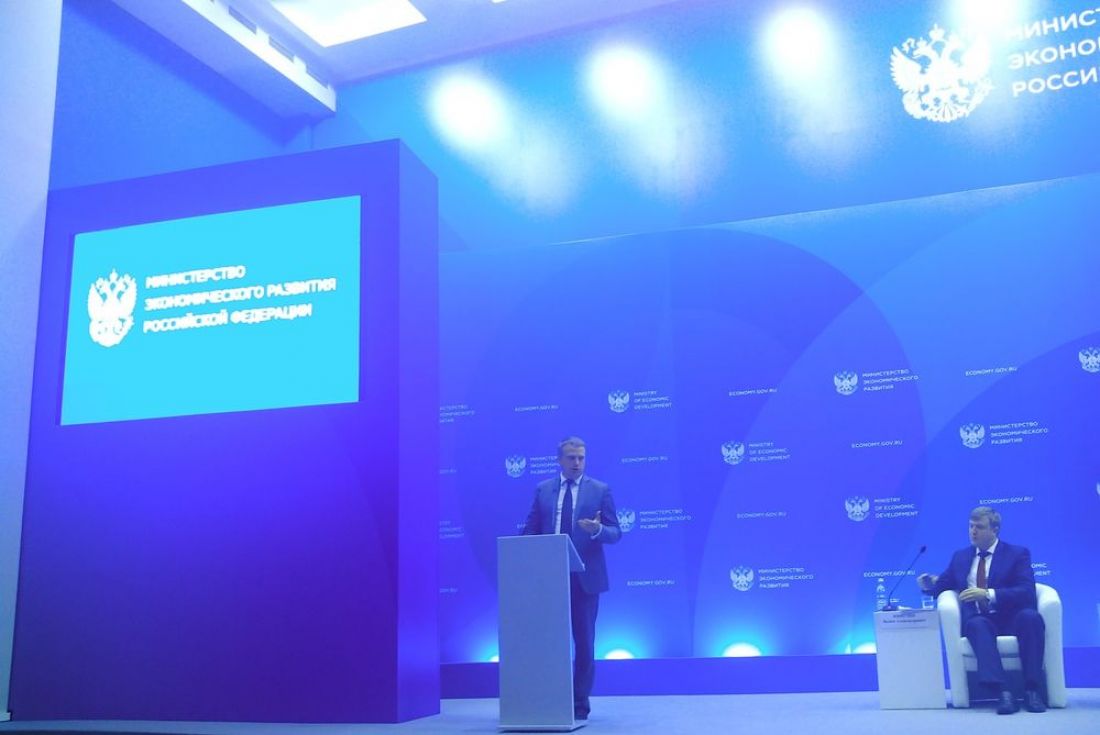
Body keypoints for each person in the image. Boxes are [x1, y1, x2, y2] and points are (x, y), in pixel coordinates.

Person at [523, 436, 621, 721]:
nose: (577, 463)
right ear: (559, 460)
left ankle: (580, 703)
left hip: (585, 580)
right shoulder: (543, 490)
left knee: (585, 642)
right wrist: (523, 550)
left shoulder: (600, 490)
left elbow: (616, 533)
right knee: (547, 642)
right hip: (549, 579)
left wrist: (597, 530)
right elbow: (530, 529)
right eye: (571, 458)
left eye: (581, 458)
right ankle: (548, 698)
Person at [917, 506, 1046, 714]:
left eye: (979, 527)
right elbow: (943, 585)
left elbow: (1026, 591)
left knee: (1031, 618)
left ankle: (1032, 690)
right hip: (980, 619)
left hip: (1012, 616)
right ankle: (1004, 692)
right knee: (977, 625)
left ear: (995, 529)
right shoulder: (960, 557)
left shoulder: (1017, 554)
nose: (973, 531)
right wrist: (929, 585)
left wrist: (987, 594)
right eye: (971, 526)